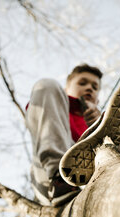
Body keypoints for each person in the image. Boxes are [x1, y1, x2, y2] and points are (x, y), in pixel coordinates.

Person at [25, 64, 103, 207]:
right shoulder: (52, 101)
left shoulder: (99, 121)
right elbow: (37, 111)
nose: (89, 88)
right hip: (49, 178)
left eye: (95, 87)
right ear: (66, 89)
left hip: (93, 184)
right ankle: (59, 180)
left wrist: (99, 123)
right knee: (46, 85)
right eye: (82, 83)